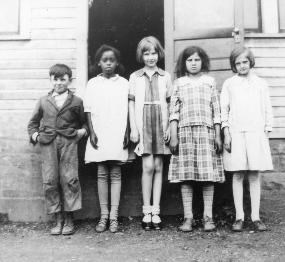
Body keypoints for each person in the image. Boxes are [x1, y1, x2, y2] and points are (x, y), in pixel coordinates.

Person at [168, 46, 224, 232]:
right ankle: (188, 217)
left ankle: (208, 217)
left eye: (197, 60)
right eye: (189, 60)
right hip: (184, 133)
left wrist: (217, 134)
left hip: (206, 133)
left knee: (207, 176)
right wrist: (174, 136)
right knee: (187, 176)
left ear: (203, 62)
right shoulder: (179, 83)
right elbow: (174, 113)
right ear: (184, 63)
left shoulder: (209, 82)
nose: (193, 63)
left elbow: (216, 110)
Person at [27, 64, 87, 235]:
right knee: (50, 180)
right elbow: (32, 124)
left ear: (70, 80)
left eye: (63, 79)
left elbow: (84, 122)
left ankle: (69, 218)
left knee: (69, 179)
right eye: (56, 79)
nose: (59, 83)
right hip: (48, 143)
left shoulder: (76, 101)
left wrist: (81, 132)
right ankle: (57, 218)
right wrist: (36, 136)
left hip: (68, 142)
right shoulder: (43, 101)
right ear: (50, 80)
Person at [221, 46, 273, 232]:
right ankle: (239, 216)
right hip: (236, 133)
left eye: (245, 62)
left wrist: (266, 131)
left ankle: (256, 216)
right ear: (234, 66)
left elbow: (267, 108)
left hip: (255, 133)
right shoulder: (229, 84)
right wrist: (226, 133)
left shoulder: (260, 83)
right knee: (237, 174)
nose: (242, 66)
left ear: (250, 62)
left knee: (254, 175)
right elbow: (223, 110)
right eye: (238, 63)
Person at [128, 36, 172, 230]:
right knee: (147, 166)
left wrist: (170, 126)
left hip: (160, 123)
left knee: (159, 166)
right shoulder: (135, 77)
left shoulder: (166, 76)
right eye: (146, 53)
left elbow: (170, 104)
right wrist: (134, 128)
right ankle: (146, 211)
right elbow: (131, 103)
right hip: (143, 123)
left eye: (153, 53)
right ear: (141, 55)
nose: (151, 57)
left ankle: (156, 211)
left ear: (158, 54)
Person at [84, 45, 129, 233]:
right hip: (100, 131)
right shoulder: (93, 83)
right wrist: (92, 132)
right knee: (101, 172)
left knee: (116, 173)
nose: (108, 63)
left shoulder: (124, 83)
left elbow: (128, 109)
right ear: (99, 63)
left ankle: (114, 217)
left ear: (117, 62)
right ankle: (103, 215)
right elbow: (88, 110)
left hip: (118, 130)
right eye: (105, 60)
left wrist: (127, 131)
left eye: (112, 60)